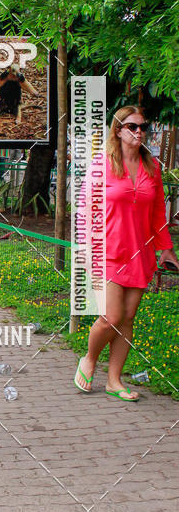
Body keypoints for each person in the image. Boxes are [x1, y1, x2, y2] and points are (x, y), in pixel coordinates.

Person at [74, 106, 179, 402]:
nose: (139, 132)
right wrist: (82, 246)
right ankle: (90, 359)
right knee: (111, 316)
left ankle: (114, 380)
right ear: (118, 130)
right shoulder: (101, 165)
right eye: (132, 126)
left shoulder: (152, 167)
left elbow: (159, 212)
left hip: (140, 251)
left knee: (128, 318)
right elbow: (84, 209)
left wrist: (166, 249)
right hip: (106, 251)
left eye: (143, 127)